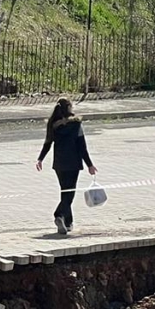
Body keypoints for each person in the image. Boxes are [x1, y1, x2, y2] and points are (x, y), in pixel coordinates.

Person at [35, 98, 97, 236]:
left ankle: (67, 222)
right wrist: (90, 165)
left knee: (65, 191)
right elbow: (82, 147)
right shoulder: (76, 124)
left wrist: (40, 159)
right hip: (73, 163)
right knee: (70, 193)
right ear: (69, 107)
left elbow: (47, 143)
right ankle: (59, 215)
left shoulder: (53, 125)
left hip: (59, 163)